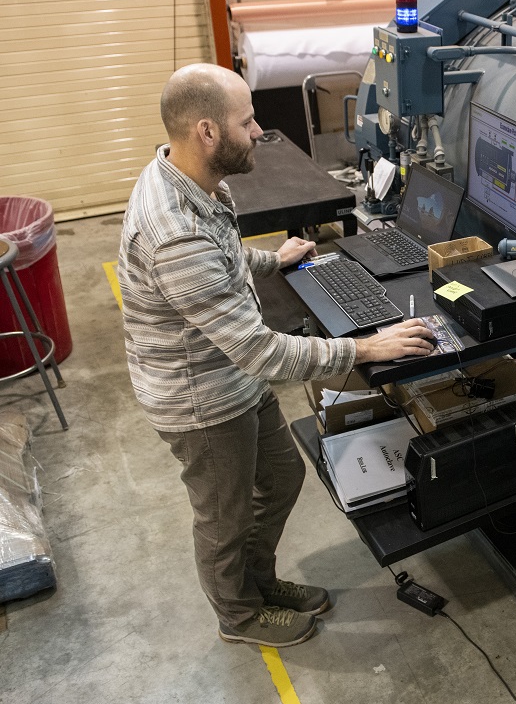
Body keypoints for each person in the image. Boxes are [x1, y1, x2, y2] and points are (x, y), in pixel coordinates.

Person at [117, 63, 435, 647]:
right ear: (208, 132)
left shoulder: (195, 179)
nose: (260, 129)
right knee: (224, 517)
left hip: (230, 378)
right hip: (202, 400)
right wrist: (364, 347)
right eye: (247, 121)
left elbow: (224, 261)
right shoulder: (173, 232)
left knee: (282, 475)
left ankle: (257, 582)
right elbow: (260, 351)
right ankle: (237, 615)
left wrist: (273, 260)